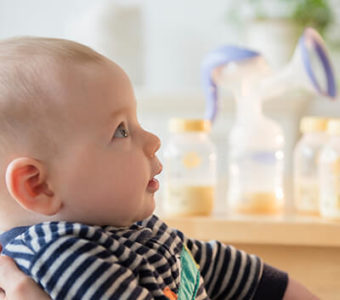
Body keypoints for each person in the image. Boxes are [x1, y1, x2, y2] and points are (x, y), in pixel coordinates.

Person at [0, 36, 318, 300]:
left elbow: (225, 268)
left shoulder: (133, 231)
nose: (152, 140)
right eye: (121, 130)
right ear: (38, 185)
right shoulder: (65, 255)